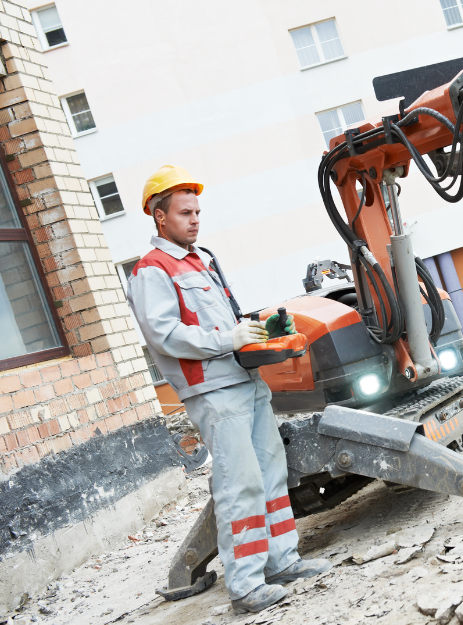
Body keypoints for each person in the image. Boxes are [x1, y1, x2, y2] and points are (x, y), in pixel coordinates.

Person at [126, 166, 330, 613]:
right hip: (214, 390)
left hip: (245, 380)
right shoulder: (151, 270)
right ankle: (245, 586)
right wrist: (228, 340)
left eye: (197, 211)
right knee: (240, 485)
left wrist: (261, 328)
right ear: (160, 217)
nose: (195, 219)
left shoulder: (202, 260)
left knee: (271, 475)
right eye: (185, 212)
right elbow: (164, 333)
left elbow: (227, 321)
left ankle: (281, 561)